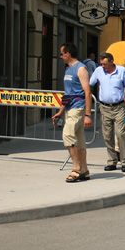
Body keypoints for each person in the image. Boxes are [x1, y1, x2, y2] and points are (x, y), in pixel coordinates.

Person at [52, 43, 93, 183]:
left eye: (62, 53)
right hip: (69, 108)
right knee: (79, 140)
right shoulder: (68, 69)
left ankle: (76, 168)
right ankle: (84, 170)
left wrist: (88, 115)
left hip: (78, 108)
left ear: (68, 53)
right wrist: (60, 111)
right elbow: (68, 94)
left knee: (67, 135)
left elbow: (88, 92)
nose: (60, 56)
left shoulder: (81, 69)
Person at [89, 52, 125, 173]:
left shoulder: (122, 71)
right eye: (101, 64)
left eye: (105, 64)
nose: (103, 66)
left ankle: (124, 162)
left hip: (119, 107)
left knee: (120, 134)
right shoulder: (99, 71)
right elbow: (89, 84)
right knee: (107, 136)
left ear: (111, 61)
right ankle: (112, 161)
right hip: (104, 108)